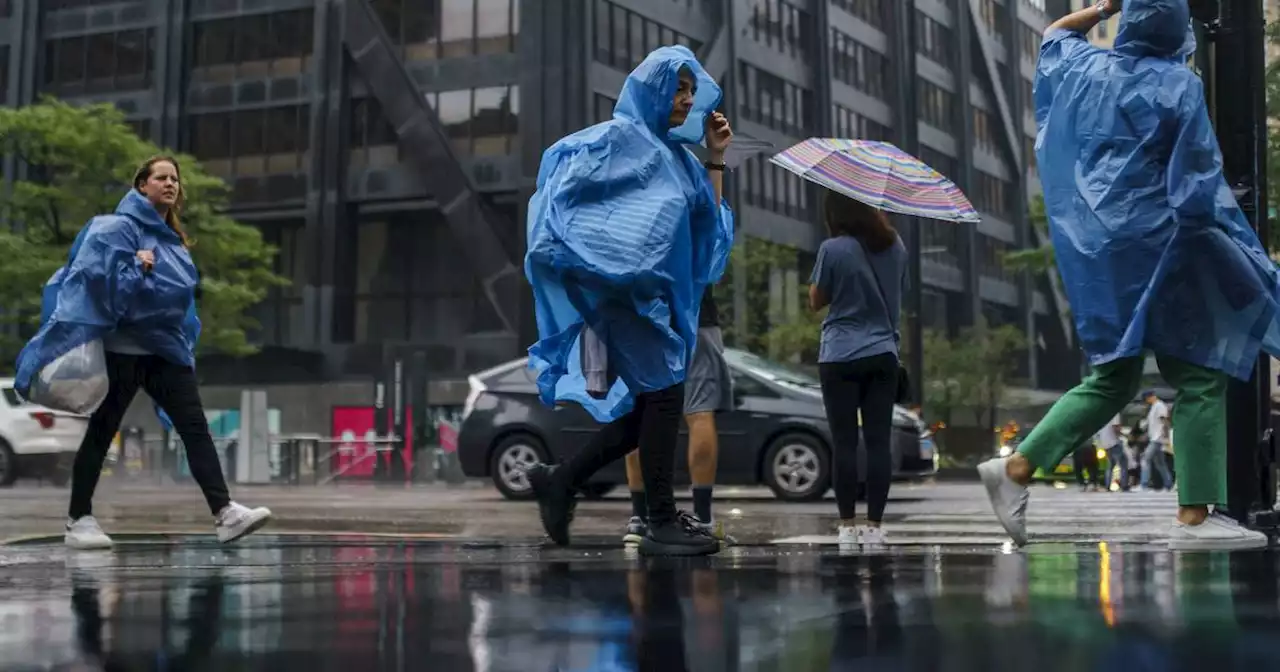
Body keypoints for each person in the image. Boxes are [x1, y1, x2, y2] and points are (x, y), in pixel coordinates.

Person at [978, 0, 1280, 549]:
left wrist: (1102, 8)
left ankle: (1017, 468)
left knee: (1113, 376)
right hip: (1163, 248)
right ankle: (1194, 517)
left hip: (1102, 254)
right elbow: (1194, 187)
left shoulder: (1086, 70)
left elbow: (1052, 34)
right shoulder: (1177, 84)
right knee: (1199, 375)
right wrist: (1231, 249)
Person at [522, 46, 735, 556]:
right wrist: (615, 266)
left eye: (690, 90)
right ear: (653, 89)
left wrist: (716, 158)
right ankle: (659, 518)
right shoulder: (615, 141)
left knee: (648, 408)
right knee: (663, 396)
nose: (686, 100)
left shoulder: (677, 157)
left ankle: (560, 480)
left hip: (658, 303)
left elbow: (705, 227)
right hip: (626, 301)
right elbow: (563, 213)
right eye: (677, 89)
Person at [15, 156, 272, 550]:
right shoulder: (114, 229)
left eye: (175, 179)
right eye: (161, 177)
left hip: (164, 352)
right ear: (141, 186)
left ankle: (225, 513)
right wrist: (135, 267)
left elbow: (179, 304)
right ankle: (78, 519)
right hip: (121, 352)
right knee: (101, 434)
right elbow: (96, 288)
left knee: (195, 429)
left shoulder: (173, 241)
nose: (170, 184)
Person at [808, 191, 907, 546]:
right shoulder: (896, 246)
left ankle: (848, 527)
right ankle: (875, 526)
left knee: (845, 442)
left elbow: (816, 300)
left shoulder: (833, 249)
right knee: (879, 442)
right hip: (883, 353)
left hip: (839, 355)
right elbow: (899, 295)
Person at [621, 289, 735, 546]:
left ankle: (639, 518)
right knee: (700, 414)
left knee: (641, 411)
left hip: (644, 318)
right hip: (696, 318)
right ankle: (702, 518)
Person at [1140, 391, 1174, 491]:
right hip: (1155, 438)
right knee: (1160, 463)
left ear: (1151, 397)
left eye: (1146, 399)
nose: (1146, 402)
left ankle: (1144, 484)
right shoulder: (1154, 407)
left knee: (1145, 459)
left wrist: (1167, 437)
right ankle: (1168, 484)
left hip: (1157, 438)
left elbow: (1165, 421)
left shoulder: (1159, 406)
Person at [1097, 414, 1128, 492]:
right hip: (1114, 443)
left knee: (1110, 465)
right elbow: (1116, 427)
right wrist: (1123, 435)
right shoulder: (1115, 413)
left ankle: (1107, 486)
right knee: (1123, 463)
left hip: (1105, 443)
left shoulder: (1104, 414)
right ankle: (1124, 486)